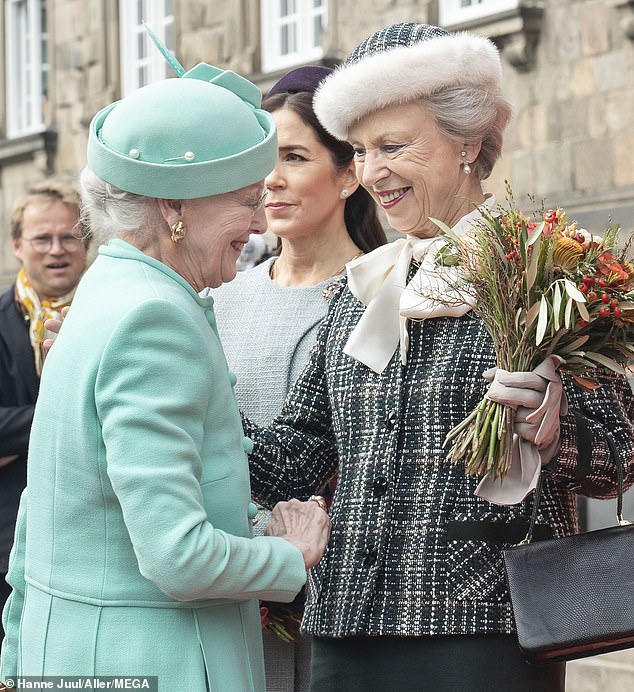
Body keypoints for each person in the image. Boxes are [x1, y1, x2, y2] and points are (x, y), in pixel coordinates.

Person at [243, 23, 634, 692]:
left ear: (469, 142)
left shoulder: (548, 272)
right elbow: (297, 455)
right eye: (361, 151)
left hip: (484, 631)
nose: (372, 173)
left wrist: (557, 430)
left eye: (393, 145)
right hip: (344, 628)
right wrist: (192, 400)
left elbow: (621, 454)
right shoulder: (361, 290)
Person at [0, 59, 330, 691]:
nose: (260, 223)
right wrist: (289, 556)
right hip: (156, 664)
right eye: (243, 201)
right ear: (173, 205)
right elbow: (177, 557)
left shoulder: (106, 286)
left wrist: (17, 654)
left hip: (72, 657)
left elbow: (55, 509)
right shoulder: (156, 317)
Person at [212, 65, 386, 692]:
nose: (271, 181)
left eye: (293, 156)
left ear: (348, 174)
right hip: (228, 576)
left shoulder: (385, 292)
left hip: (343, 586)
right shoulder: (224, 296)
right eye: (264, 159)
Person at [0, 181, 88, 645]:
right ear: (17, 245)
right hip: (8, 538)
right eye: (42, 238)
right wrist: (76, 409)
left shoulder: (112, 314)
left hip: (89, 539)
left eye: (69, 236)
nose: (57, 250)